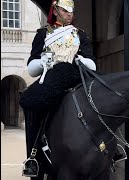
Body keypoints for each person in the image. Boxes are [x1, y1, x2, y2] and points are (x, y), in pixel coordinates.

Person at [19, 0, 96, 177]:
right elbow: (32, 68)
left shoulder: (80, 34)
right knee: (30, 103)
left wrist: (80, 60)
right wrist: (42, 62)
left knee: (105, 95)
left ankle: (112, 147)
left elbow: (92, 64)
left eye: (72, 11)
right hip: (51, 78)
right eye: (65, 10)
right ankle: (34, 158)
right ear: (56, 10)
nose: (69, 14)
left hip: (75, 77)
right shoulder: (43, 34)